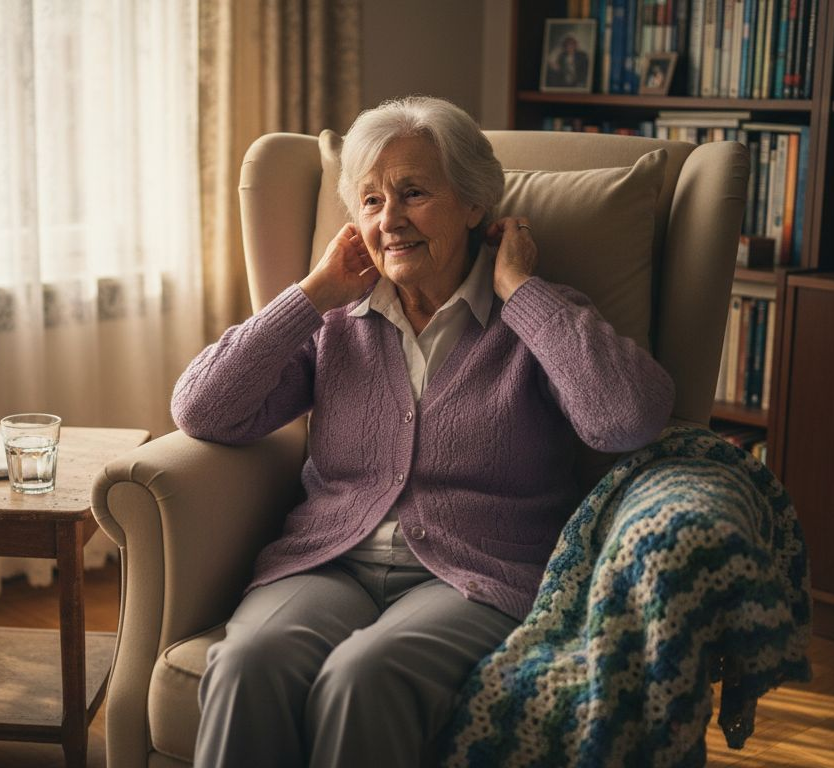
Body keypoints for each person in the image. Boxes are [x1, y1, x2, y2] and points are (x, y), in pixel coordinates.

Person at [171, 96, 673, 767]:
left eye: (413, 193)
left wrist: (521, 288)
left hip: (476, 575)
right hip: (331, 561)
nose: (390, 221)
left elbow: (627, 419)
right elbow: (201, 409)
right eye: (371, 202)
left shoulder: (535, 319)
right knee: (246, 662)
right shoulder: (336, 323)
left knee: (364, 676)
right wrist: (312, 295)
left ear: (473, 204)